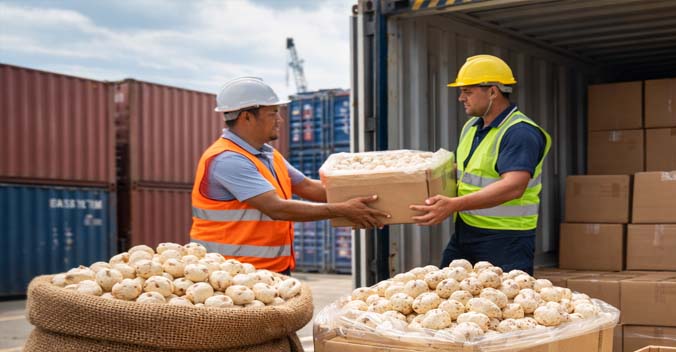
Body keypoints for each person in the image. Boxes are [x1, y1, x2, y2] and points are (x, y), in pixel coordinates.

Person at [190, 77, 389, 274]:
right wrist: (343, 210)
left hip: (269, 269)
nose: (280, 120)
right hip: (231, 274)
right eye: (273, 113)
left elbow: (309, 187)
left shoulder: (267, 154)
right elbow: (276, 208)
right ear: (246, 117)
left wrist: (378, 194)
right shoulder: (228, 159)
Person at [411, 55, 552, 274]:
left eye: (467, 91)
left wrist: (453, 204)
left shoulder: (520, 132)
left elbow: (514, 186)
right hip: (465, 232)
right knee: (445, 297)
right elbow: (466, 171)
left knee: (502, 305)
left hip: (505, 240)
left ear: (493, 91)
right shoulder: (471, 127)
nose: (460, 98)